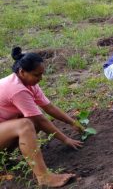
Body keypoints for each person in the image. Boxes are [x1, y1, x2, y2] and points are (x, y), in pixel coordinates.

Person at [0, 47, 84, 187]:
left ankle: (4, 158)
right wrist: (65, 139)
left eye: (41, 74)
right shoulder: (17, 89)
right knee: (25, 124)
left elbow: (48, 107)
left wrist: (72, 122)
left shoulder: (28, 83)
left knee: (29, 119)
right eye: (37, 75)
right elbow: (40, 119)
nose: (40, 79)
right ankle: (44, 177)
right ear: (22, 72)